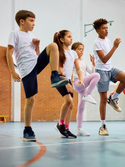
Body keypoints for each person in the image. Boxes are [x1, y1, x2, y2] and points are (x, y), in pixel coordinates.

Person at [6, 10, 69, 142]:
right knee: (31, 100)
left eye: (34, 21)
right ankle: (27, 129)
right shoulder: (15, 34)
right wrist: (12, 71)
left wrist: (37, 47)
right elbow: (9, 52)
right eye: (31, 20)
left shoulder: (31, 36)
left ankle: (54, 75)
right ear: (22, 21)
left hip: (35, 63)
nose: (34, 23)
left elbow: (37, 55)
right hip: (26, 70)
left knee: (53, 45)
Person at [93, 18, 125, 136]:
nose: (106, 30)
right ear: (98, 30)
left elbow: (107, 61)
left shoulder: (108, 41)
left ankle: (113, 98)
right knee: (103, 99)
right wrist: (114, 47)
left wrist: (112, 45)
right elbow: (103, 60)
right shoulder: (97, 42)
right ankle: (103, 126)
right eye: (103, 28)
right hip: (101, 71)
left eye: (107, 28)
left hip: (110, 69)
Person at [53, 30, 85, 138]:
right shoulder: (59, 51)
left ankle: (66, 128)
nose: (71, 38)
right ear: (61, 39)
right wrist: (66, 83)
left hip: (68, 80)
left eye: (72, 36)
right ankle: (60, 124)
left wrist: (81, 79)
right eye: (69, 37)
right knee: (68, 100)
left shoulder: (73, 53)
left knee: (71, 105)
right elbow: (59, 69)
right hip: (59, 78)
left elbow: (78, 68)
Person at [71, 42, 100, 136]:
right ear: (73, 50)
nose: (81, 51)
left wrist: (93, 64)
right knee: (97, 75)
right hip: (77, 83)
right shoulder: (72, 61)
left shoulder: (84, 62)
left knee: (81, 107)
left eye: (82, 49)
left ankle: (79, 129)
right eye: (79, 49)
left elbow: (91, 73)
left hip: (83, 85)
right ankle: (88, 95)